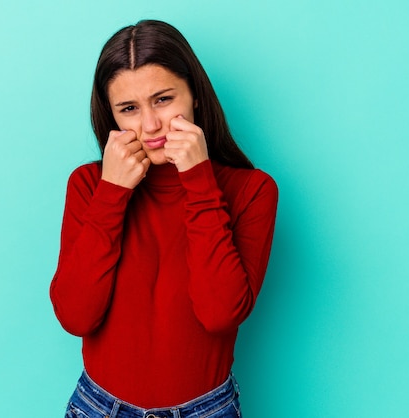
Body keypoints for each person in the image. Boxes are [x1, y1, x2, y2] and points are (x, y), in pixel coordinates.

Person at [50, 19, 278, 418]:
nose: (150, 125)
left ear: (195, 97)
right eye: (129, 109)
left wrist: (199, 180)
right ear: (112, 116)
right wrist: (112, 194)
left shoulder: (252, 191)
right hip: (99, 407)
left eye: (163, 99)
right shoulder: (88, 185)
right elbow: (75, 315)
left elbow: (220, 313)